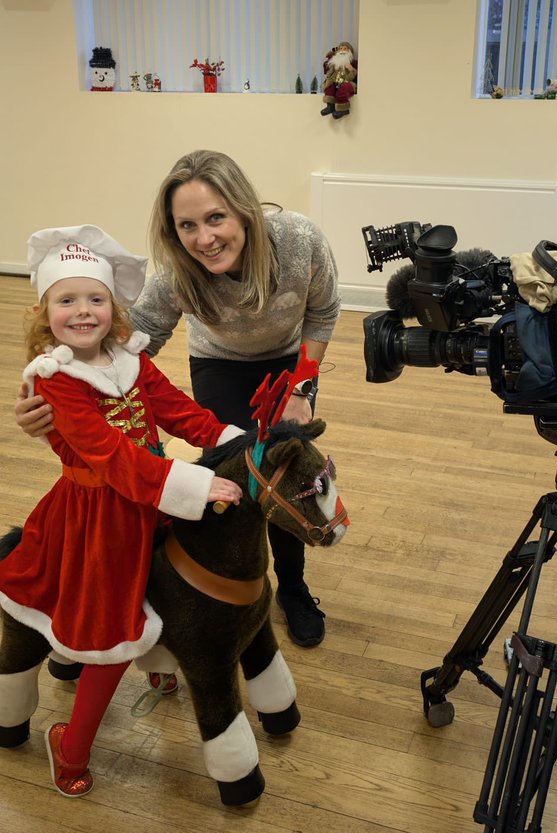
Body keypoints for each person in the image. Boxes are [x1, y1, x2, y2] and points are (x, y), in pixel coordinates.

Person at [16, 151, 341, 647]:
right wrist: (62, 392)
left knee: (282, 468)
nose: (204, 238)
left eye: (216, 218)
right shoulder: (178, 274)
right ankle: (233, 585)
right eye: (187, 225)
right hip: (221, 362)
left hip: (287, 361)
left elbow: (323, 312)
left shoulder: (299, 241)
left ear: (244, 210)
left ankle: (292, 590)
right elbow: (131, 337)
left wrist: (301, 386)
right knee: (234, 475)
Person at [1, 224, 243, 797]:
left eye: (96, 299)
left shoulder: (132, 361)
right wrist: (197, 483)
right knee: (111, 634)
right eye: (67, 300)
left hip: (150, 497)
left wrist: (238, 445)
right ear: (44, 313)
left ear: (114, 306)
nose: (83, 312)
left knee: (175, 584)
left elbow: (182, 413)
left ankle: (158, 665)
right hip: (98, 519)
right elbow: (110, 458)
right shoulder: (57, 380)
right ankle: (73, 747)